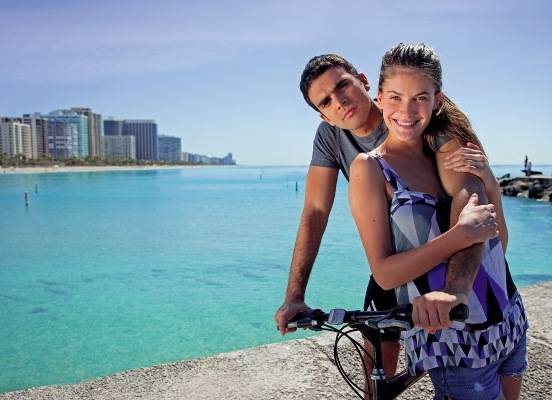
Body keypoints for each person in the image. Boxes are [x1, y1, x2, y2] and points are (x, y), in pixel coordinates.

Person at [274, 54, 503, 392]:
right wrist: (294, 296)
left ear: (364, 81)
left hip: (454, 249)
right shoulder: (330, 137)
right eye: (326, 101)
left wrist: (456, 285)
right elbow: (315, 211)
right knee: (377, 346)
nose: (339, 102)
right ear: (322, 115)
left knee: (456, 354)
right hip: (397, 257)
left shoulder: (410, 112)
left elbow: (467, 193)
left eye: (342, 86)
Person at [348, 43, 528, 400]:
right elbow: (384, 273)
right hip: (451, 338)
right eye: (396, 97)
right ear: (379, 98)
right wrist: (458, 236)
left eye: (420, 98)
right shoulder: (370, 169)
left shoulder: (449, 146)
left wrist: (492, 186)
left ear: (437, 99)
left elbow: (497, 245)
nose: (406, 110)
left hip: (507, 314)